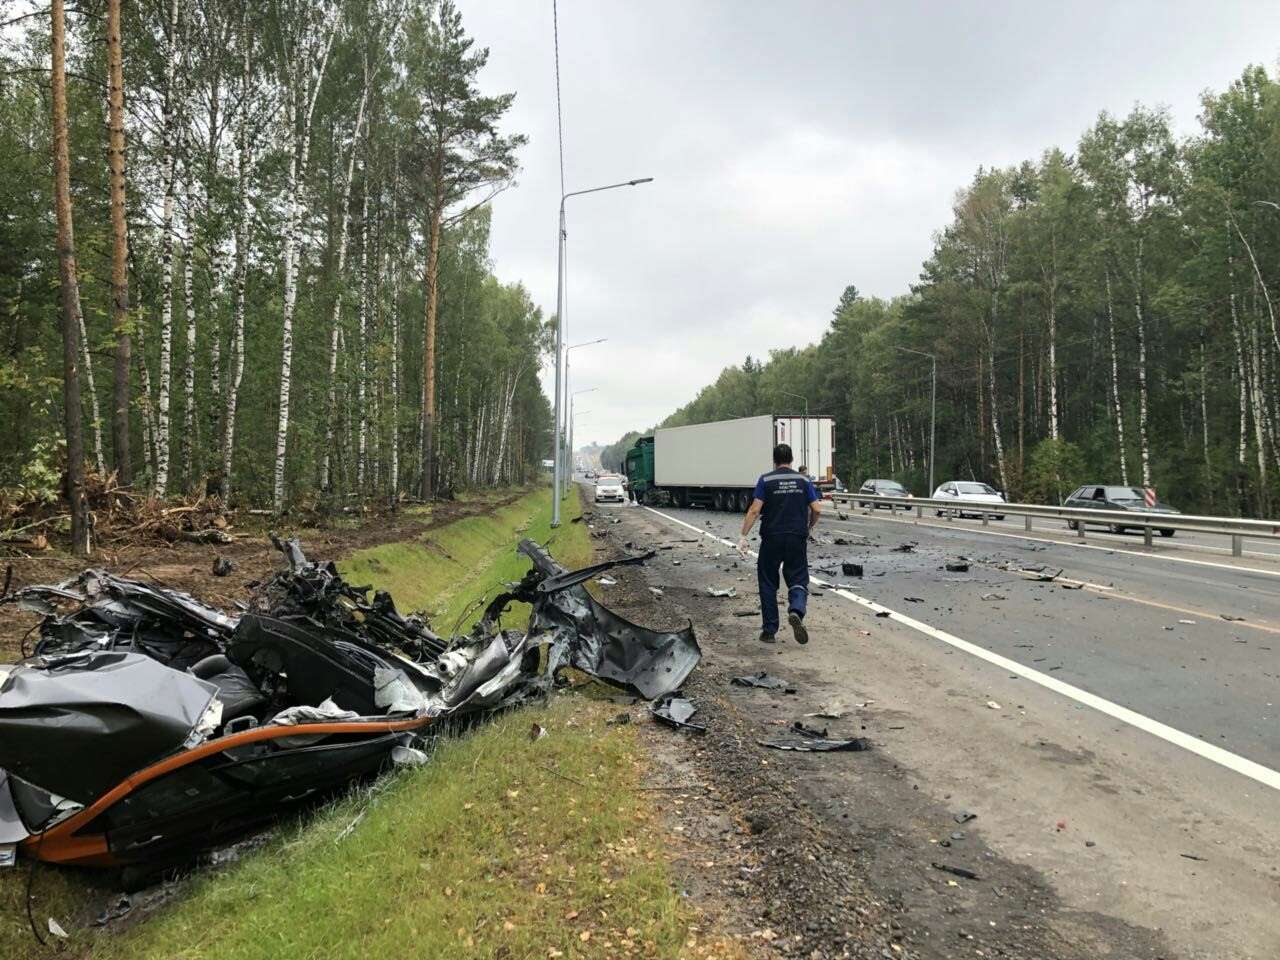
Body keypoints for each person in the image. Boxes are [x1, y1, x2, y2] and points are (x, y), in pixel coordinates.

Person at [737, 443, 821, 644]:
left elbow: (755, 510)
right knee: (798, 578)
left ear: (774, 460)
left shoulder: (766, 479)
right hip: (796, 538)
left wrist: (743, 536)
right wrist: (809, 526)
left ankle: (769, 631)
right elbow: (817, 509)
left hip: (772, 538)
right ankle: (797, 611)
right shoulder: (803, 480)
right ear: (791, 460)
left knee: (767, 581)